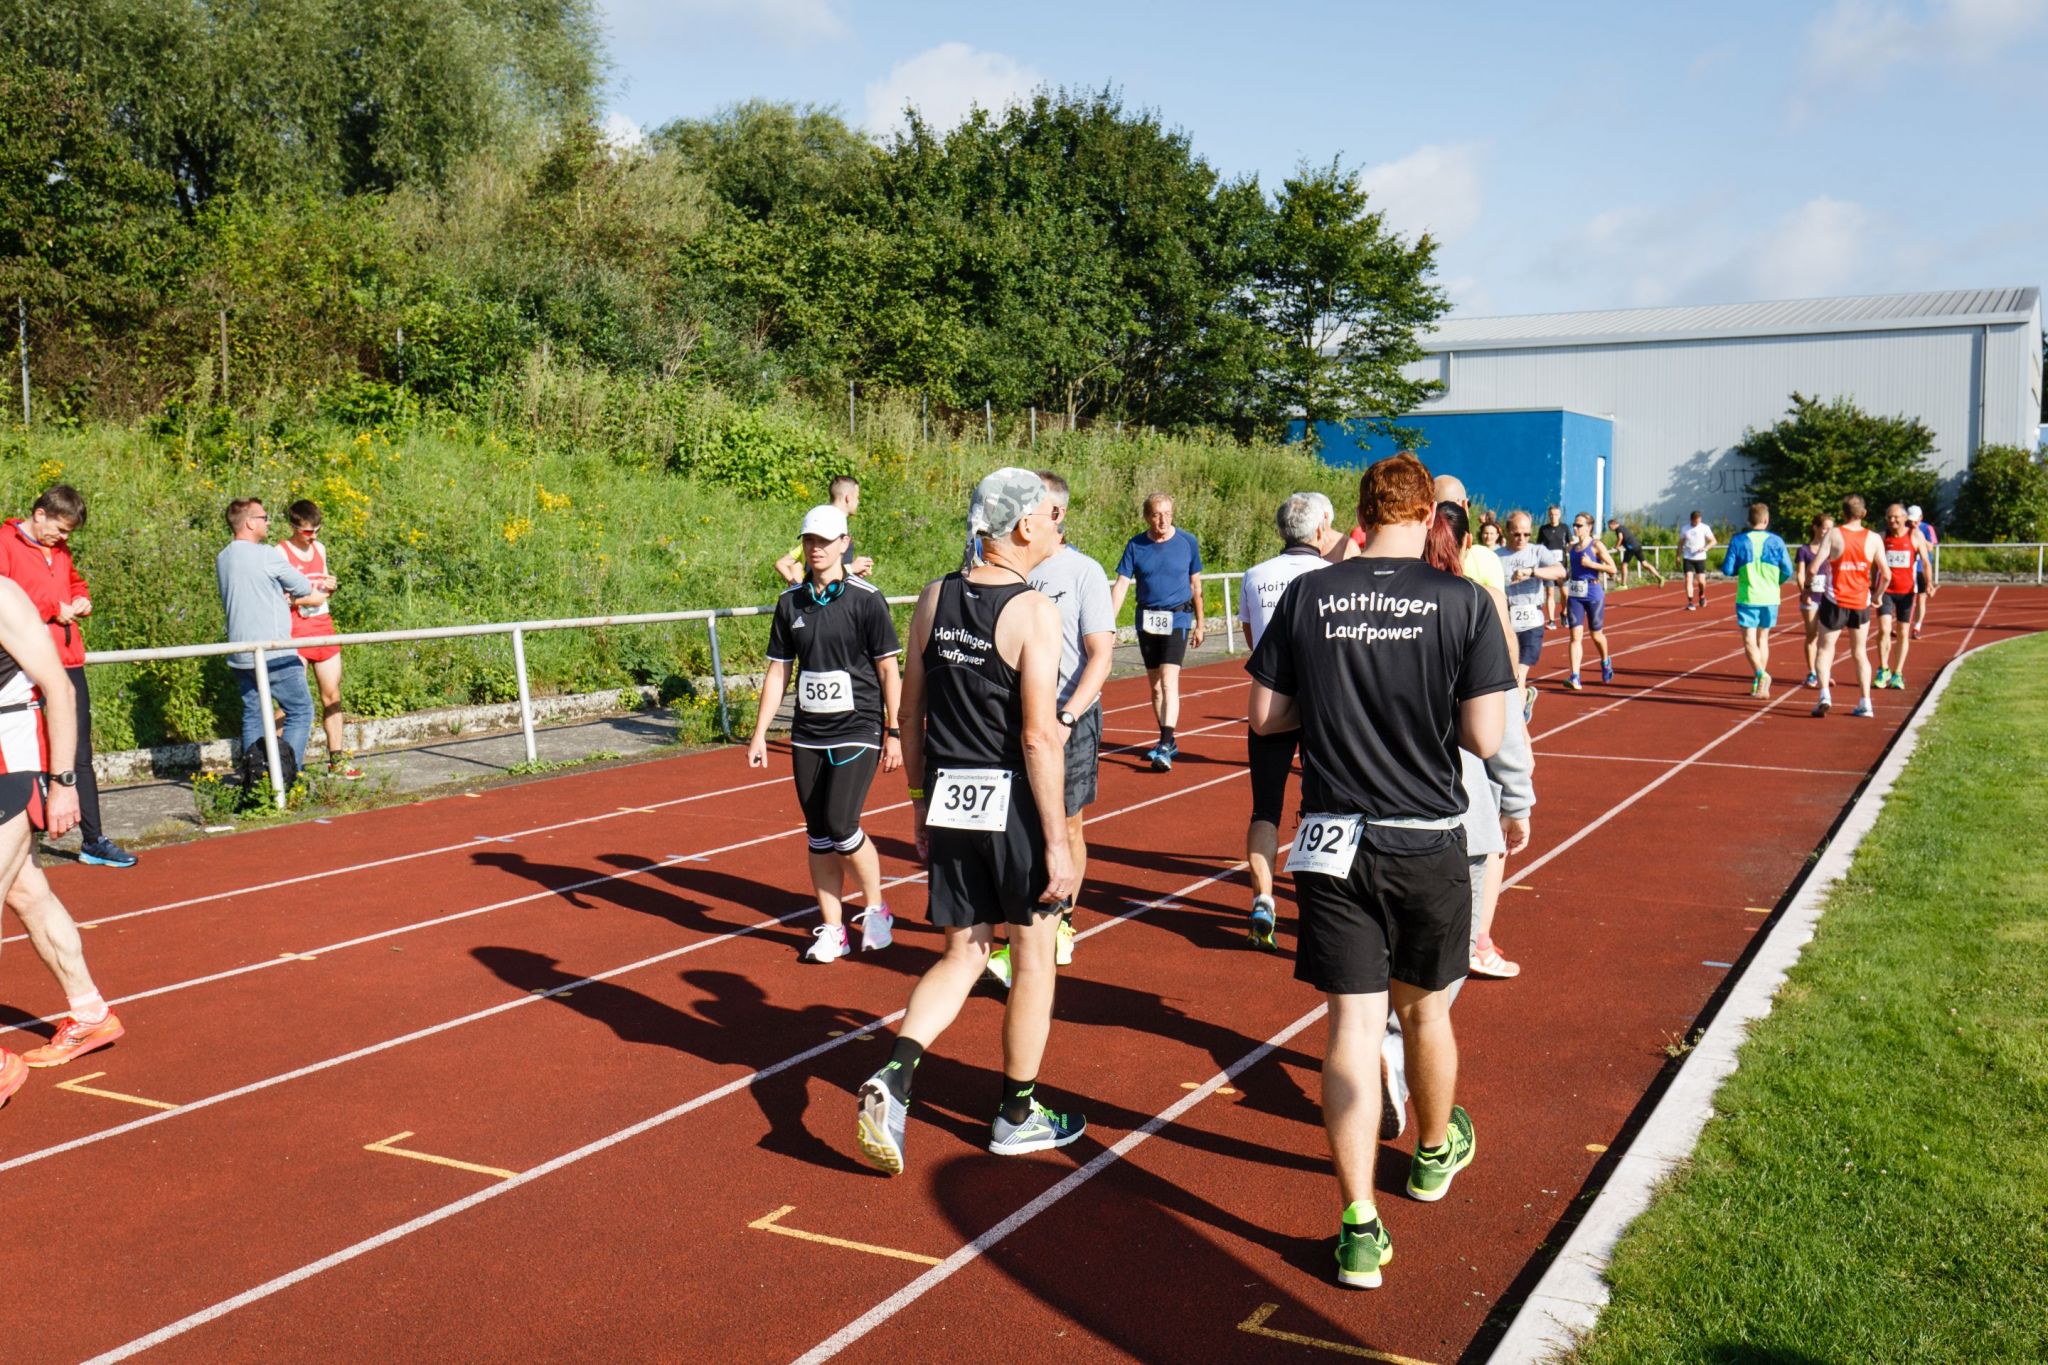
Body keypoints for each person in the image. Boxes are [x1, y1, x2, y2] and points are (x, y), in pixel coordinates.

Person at [1245, 451, 1513, 1290]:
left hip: (1332, 838)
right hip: (1423, 836)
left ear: (1360, 513)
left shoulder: (1309, 594)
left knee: (1352, 1028)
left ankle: (1358, 1222)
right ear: (1430, 514)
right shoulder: (1463, 600)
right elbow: (1486, 737)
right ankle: (1432, 1151)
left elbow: (1265, 715)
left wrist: (1335, 698)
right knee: (1424, 1013)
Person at [855, 468, 1082, 1175]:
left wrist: (918, 802)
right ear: (1022, 526)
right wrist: (1057, 843)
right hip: (1013, 805)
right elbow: (1039, 738)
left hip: (950, 796)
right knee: (1033, 959)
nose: (1058, 527)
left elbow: (910, 712)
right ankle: (1016, 1112)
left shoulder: (933, 598)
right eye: (1050, 516)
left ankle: (895, 1074)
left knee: (964, 953)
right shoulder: (1034, 611)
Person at [749, 504, 903, 964]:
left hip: (858, 725)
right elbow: (779, 671)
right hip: (808, 731)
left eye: (824, 540)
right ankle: (834, 929)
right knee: (818, 833)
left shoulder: (866, 599)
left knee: (841, 823)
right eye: (809, 541)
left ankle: (876, 908)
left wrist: (894, 730)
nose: (815, 548)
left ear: (844, 543)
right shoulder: (790, 603)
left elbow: (888, 669)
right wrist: (760, 733)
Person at [0, 576, 127, 1109]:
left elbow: (59, 686)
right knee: (26, 892)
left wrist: (64, 783)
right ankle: (91, 1013)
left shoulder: (2, 596)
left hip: (10, 758)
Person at [984, 469, 1115, 985]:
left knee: (1066, 824)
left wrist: (1066, 717)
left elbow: (1101, 655)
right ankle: (1017, 931)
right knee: (1016, 826)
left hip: (1065, 719)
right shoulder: (1005, 566)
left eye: (1033, 507)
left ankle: (1060, 920)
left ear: (1054, 514)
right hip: (1011, 719)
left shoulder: (1083, 571)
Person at [0, 486, 135, 868]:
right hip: (23, 668)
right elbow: (6, 601)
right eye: (59, 529)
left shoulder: (60, 551)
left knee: (78, 753)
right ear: (39, 514)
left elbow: (75, 582)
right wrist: (50, 607)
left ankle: (93, 839)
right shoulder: (5, 543)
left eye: (69, 533)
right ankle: (25, 836)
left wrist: (80, 599)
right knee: (34, 755)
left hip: (67, 659)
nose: (62, 538)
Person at [1236, 492, 1340, 951]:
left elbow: (1252, 642)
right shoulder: (1333, 578)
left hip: (1270, 700)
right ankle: (1321, 905)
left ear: (1281, 531)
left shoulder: (1255, 575)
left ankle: (1263, 897)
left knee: (1265, 808)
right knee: (1326, 807)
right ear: (1320, 530)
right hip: (1323, 705)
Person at [217, 499, 325, 770]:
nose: (268, 522)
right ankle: (287, 775)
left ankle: (255, 779)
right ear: (250, 522)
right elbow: (302, 586)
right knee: (300, 709)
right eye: (264, 518)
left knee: (254, 715)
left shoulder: (223, 557)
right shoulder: (266, 554)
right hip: (274, 651)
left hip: (241, 653)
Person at [1110, 492, 1204, 771]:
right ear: (1146, 517)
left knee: (1168, 680)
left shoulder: (1187, 542)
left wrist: (1200, 623)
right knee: (1154, 686)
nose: (1162, 520)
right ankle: (1168, 739)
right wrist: (1108, 624)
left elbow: (1196, 586)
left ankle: (1164, 744)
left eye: (1167, 514)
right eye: (1156, 515)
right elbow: (1121, 585)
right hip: (1147, 620)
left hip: (1178, 617)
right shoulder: (1136, 545)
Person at [279, 501, 362, 780]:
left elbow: (323, 590)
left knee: (332, 695)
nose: (312, 536)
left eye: (317, 530)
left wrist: (330, 588)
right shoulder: (280, 552)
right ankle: (280, 764)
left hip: (323, 626)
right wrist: (306, 599)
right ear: (293, 527)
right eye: (307, 532)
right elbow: (278, 598)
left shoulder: (320, 548)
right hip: (295, 630)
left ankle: (336, 761)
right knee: (292, 700)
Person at [1810, 495, 1884, 719]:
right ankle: (1865, 702)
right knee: (1860, 652)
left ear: (1843, 514)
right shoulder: (1874, 538)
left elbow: (1813, 568)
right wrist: (1877, 596)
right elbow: (1887, 574)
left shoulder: (1834, 534)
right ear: (1864, 513)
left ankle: (1824, 695)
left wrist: (1808, 587)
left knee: (1825, 650)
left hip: (1835, 600)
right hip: (1861, 602)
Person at [1720, 503, 1795, 699]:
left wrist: (1741, 569)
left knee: (1749, 641)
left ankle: (1761, 674)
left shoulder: (1738, 540)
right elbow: (1788, 569)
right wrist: (1776, 581)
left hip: (1748, 596)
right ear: (1766, 520)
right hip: (1771, 597)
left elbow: (1727, 569)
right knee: (1763, 639)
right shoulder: (1777, 541)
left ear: (1748, 521)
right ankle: (1760, 683)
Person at [1497, 511, 1566, 718]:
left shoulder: (1537, 551)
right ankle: (1525, 696)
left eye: (1526, 534)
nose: (1522, 539)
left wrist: (1532, 572)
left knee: (1519, 673)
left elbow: (1560, 571)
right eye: (1517, 534)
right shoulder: (1497, 556)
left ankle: (1516, 723)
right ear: (1507, 531)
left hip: (1531, 622)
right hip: (1506, 620)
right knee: (1507, 674)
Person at [1875, 503, 1936, 691]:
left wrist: (1929, 583)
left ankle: (1898, 673)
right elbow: (1873, 564)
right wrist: (1871, 585)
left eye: (1895, 517)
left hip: (1907, 591)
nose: (1892, 521)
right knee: (1884, 629)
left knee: (1902, 633)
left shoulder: (1914, 536)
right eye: (1889, 517)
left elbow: (1926, 562)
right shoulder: (1881, 537)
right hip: (1886, 590)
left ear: (1904, 518)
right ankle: (1883, 668)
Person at [774, 475, 875, 587]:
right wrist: (851, 568)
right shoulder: (828, 524)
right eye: (857, 497)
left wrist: (853, 572)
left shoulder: (819, 522)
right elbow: (817, 571)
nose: (858, 502)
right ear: (848, 498)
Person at [1564, 514, 1618, 690]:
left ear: (1589, 527)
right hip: (1575, 594)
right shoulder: (1571, 547)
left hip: (1593, 593)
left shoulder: (1596, 545)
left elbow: (1613, 569)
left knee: (1596, 635)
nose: (1575, 528)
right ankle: (1575, 676)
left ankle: (1605, 661)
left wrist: (1592, 565)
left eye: (1579, 525)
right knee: (1575, 636)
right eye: (1574, 524)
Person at [1795, 513, 1835, 688]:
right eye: (1825, 528)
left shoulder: (1833, 550)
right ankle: (1812, 672)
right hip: (1811, 598)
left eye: (1830, 528)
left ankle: (1824, 672)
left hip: (1829, 597)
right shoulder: (1804, 550)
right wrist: (1805, 592)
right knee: (1812, 635)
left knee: (1827, 638)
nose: (1827, 532)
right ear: (1816, 528)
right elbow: (1800, 574)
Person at [1535, 506, 1571, 628]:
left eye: (1555, 514)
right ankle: (1551, 620)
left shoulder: (1564, 528)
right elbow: (1538, 546)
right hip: (1548, 567)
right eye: (1551, 514)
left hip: (1561, 566)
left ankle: (1564, 613)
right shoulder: (1543, 529)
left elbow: (1570, 544)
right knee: (1550, 593)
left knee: (1565, 593)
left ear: (1559, 515)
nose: (1553, 517)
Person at [1907, 505, 1938, 639]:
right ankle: (1902, 625)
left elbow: (1931, 547)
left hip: (1921, 568)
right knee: (1906, 599)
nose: (1912, 523)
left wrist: (1919, 536)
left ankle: (1917, 627)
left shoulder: (1927, 528)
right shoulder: (1903, 528)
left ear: (1921, 518)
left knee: (1921, 599)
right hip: (1908, 569)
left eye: (1915, 520)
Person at [1606, 517, 1665, 587]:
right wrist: (1620, 546)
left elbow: (1620, 538)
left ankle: (1623, 584)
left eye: (1610, 527)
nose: (1610, 529)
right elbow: (1626, 538)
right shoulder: (1623, 527)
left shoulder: (1618, 529)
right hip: (1637, 546)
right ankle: (1659, 577)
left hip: (1631, 548)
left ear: (1613, 524)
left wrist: (1616, 547)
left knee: (1624, 565)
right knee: (1645, 564)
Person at [1678, 511, 1717, 610]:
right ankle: (1690, 602)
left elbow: (1713, 541)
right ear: (1691, 520)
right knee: (1688, 579)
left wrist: (1705, 548)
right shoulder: (1685, 529)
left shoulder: (1705, 528)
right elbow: (1680, 543)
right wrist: (1678, 556)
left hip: (1700, 558)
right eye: (1696, 521)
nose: (1697, 523)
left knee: (1701, 582)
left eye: (1699, 521)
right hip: (1688, 557)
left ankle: (1702, 595)